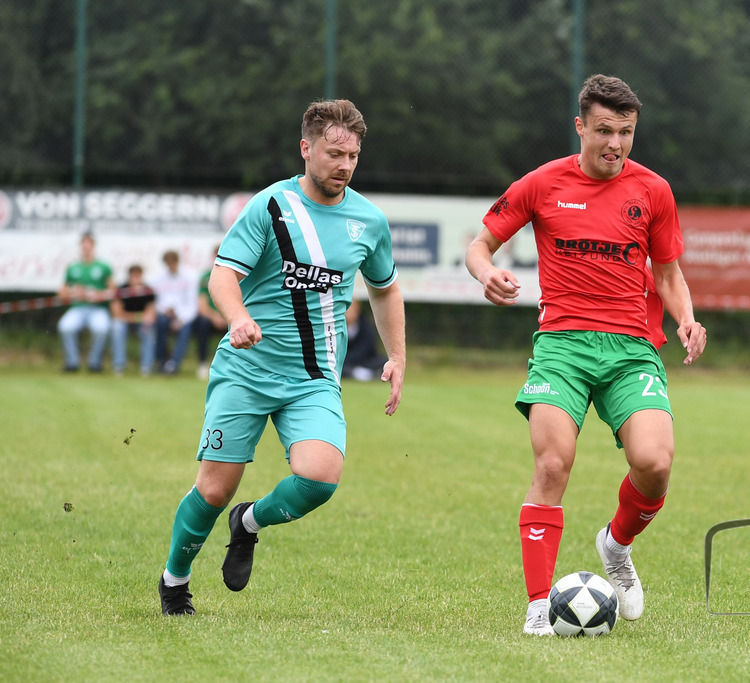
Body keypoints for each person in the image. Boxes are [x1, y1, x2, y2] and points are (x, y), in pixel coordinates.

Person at [465, 74, 707, 635]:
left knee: (655, 463)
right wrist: (486, 273)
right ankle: (536, 607)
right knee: (552, 464)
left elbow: (668, 274)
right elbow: (480, 244)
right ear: (580, 126)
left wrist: (687, 318)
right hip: (562, 347)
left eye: (626, 132)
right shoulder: (543, 183)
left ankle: (616, 546)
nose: (615, 144)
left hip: (631, 351)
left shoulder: (653, 191)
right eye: (604, 131)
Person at [158, 99, 406, 616]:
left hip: (313, 378)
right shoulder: (270, 207)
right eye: (335, 153)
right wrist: (238, 317)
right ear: (306, 148)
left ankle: (249, 524)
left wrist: (396, 355)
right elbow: (222, 276)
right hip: (247, 371)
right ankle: (175, 581)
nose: (344, 165)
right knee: (213, 489)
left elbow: (384, 289)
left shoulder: (368, 220)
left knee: (319, 479)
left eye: (353, 156)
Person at [57, 232, 115, 372]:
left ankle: (94, 363)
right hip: (78, 307)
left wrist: (98, 295)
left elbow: (113, 290)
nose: (86, 247)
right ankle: (72, 363)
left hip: (98, 308)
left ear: (93, 246)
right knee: (65, 326)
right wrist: (75, 292)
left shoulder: (103, 266)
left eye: (89, 244)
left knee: (101, 328)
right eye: (84, 244)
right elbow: (62, 292)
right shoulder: (73, 267)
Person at [152, 250, 198, 375]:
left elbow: (192, 304)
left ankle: (174, 364)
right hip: (165, 314)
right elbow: (157, 300)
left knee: (185, 330)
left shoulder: (189, 276)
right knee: (160, 324)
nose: (170, 266)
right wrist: (165, 309)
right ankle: (161, 360)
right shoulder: (159, 277)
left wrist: (180, 319)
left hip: (184, 316)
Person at [110, 264, 157, 376]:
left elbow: (151, 313)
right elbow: (116, 314)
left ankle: (146, 366)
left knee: (148, 329)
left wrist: (142, 318)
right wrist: (137, 317)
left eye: (138, 276)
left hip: (141, 323)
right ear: (129, 277)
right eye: (133, 276)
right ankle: (119, 365)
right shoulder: (121, 290)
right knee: (117, 327)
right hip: (125, 322)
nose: (136, 279)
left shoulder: (148, 291)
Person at [192, 246, 225, 380]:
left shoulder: (239, 276)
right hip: (212, 318)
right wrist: (215, 317)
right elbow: (202, 305)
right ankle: (203, 363)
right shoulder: (206, 277)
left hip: (229, 317)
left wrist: (229, 317)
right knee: (202, 324)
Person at [342, 298, 387, 381]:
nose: (348, 312)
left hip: (363, 360)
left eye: (351, 309)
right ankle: (355, 373)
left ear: (357, 311)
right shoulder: (335, 328)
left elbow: (367, 347)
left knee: (384, 361)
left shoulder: (366, 326)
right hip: (344, 360)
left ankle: (361, 373)